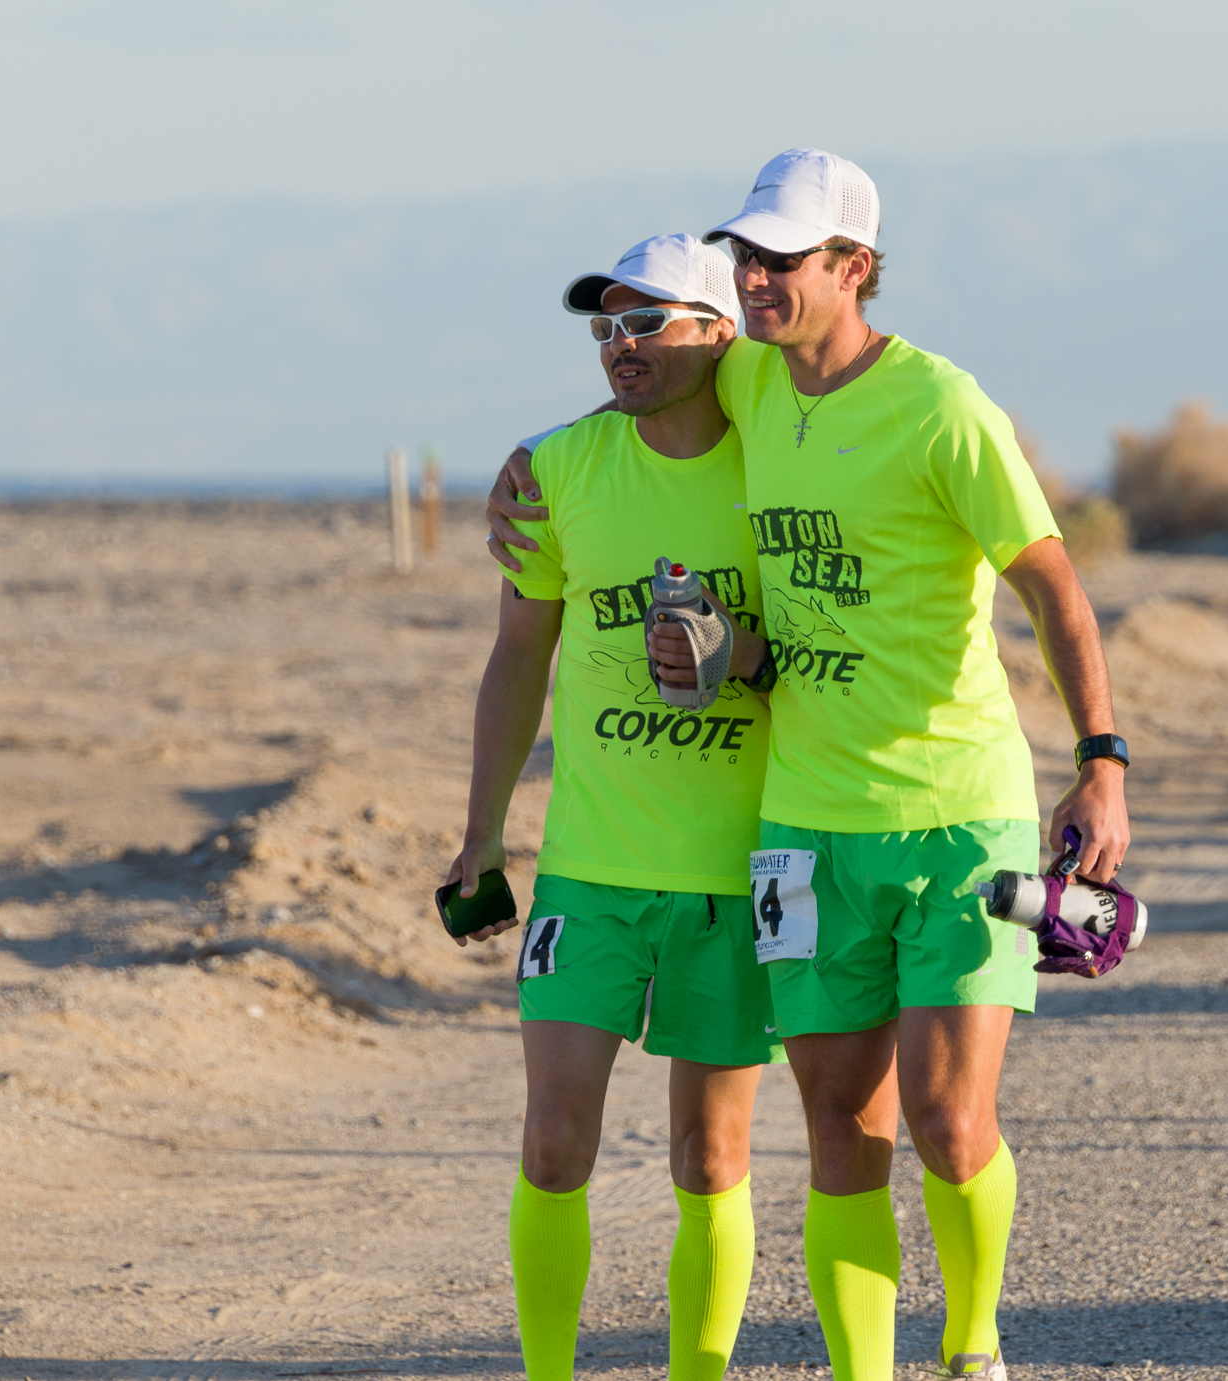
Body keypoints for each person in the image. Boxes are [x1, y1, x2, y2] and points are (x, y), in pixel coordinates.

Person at [486, 150, 1132, 1381]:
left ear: (855, 268)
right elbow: (646, 371)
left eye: (786, 257)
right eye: (748, 257)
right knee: (842, 1134)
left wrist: (1099, 759)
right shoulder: (748, 378)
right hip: (802, 826)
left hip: (957, 814)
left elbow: (1050, 580)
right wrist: (532, 463)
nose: (759, 276)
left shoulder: (942, 406)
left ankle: (974, 1344)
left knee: (948, 1125)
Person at [446, 233, 784, 1381]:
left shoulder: (783, 474)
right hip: (589, 870)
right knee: (551, 1143)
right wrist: (480, 833)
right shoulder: (557, 469)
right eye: (604, 326)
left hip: (736, 875)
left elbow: (839, 644)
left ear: (716, 335)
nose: (618, 346)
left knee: (709, 1156)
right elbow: (515, 661)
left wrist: (736, 657)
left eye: (647, 323)